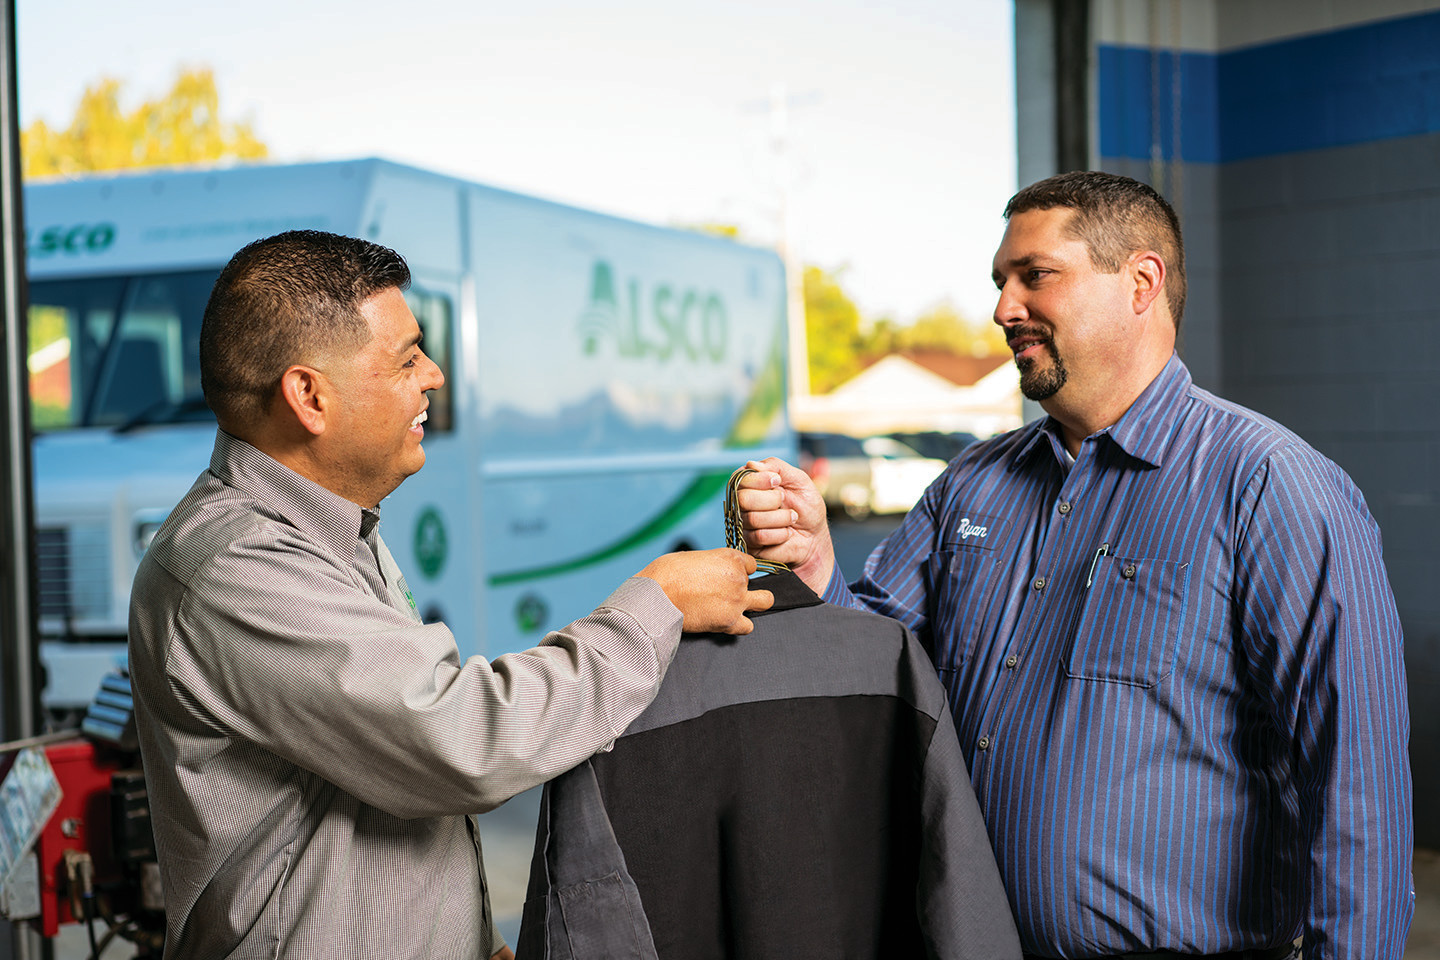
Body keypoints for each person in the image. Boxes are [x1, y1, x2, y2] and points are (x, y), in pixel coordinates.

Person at [739, 171, 1413, 959]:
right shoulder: (970, 485)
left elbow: (1356, 787)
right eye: (1000, 282)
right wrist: (818, 562)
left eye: (1037, 276)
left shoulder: (1268, 487)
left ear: (1140, 282)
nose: (1002, 309)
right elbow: (879, 669)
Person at [128, 229, 773, 960]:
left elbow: (377, 776)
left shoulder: (329, 527)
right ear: (309, 395)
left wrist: (470, 938)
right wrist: (653, 605)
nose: (434, 376)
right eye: (406, 359)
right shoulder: (236, 566)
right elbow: (458, 738)